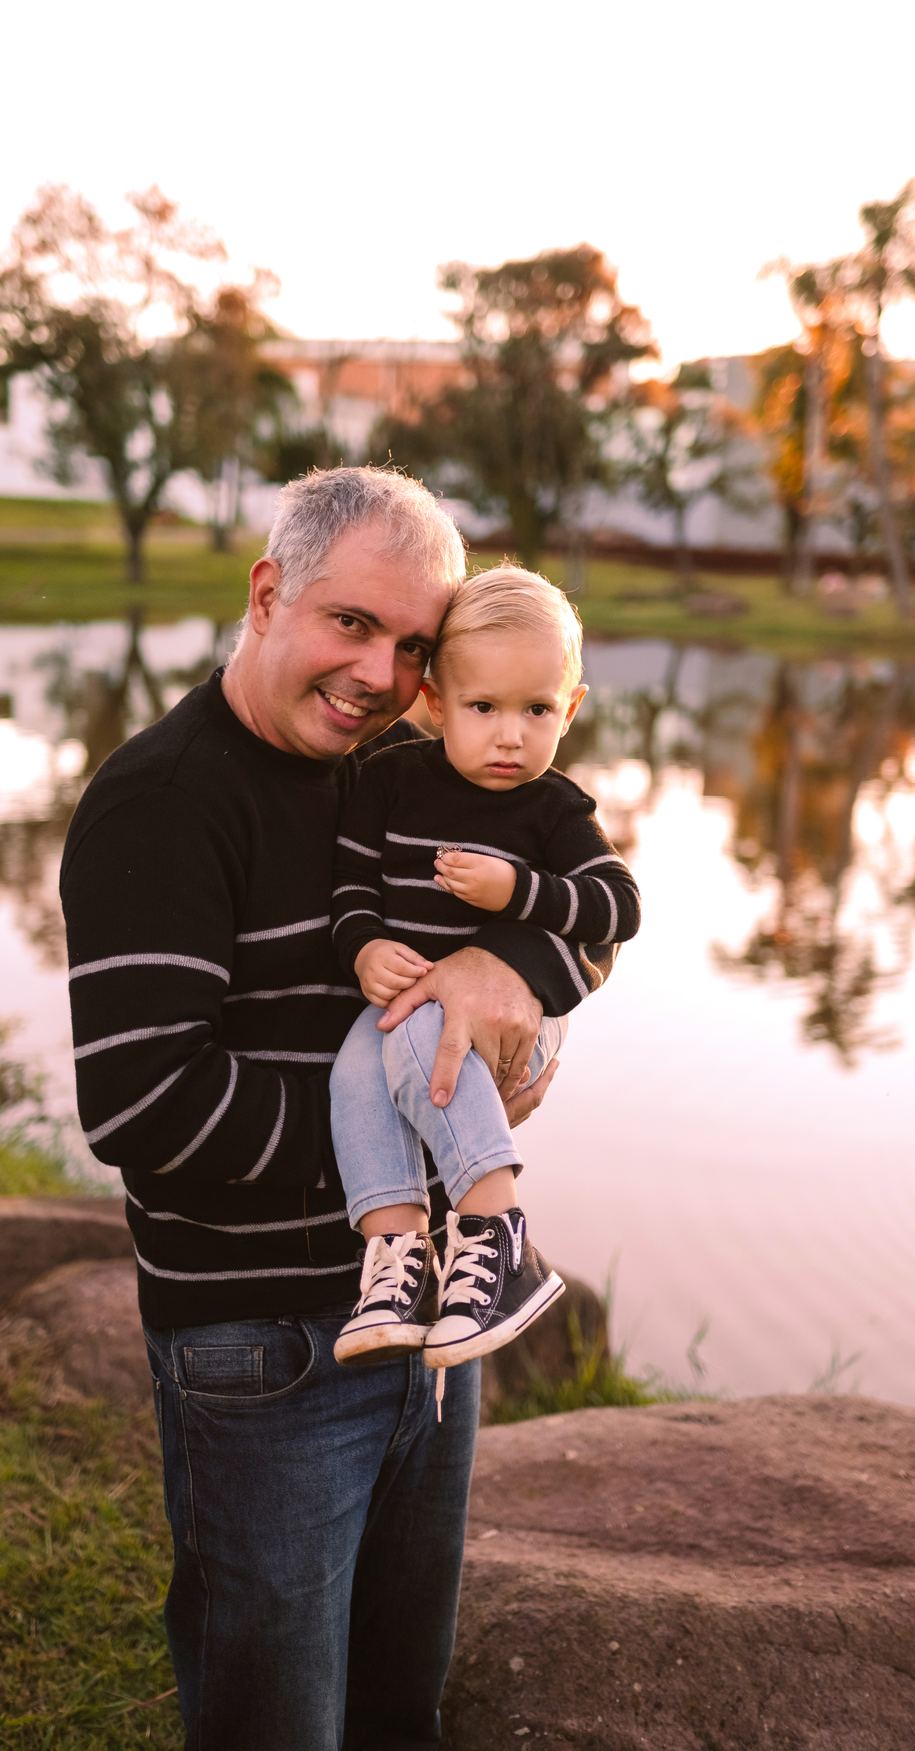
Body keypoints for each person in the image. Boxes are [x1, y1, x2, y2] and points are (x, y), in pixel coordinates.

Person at [59, 467, 618, 1751]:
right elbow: (148, 1110)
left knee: (392, 1712)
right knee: (279, 1728)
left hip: (424, 1332)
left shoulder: (401, 783)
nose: (379, 673)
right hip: (264, 1356)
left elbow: (575, 913)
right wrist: (405, 1119)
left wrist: (511, 981)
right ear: (267, 595)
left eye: (414, 646)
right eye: (351, 624)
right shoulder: (163, 801)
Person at [329, 566, 641, 1380]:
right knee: (355, 1068)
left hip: (514, 1026)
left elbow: (620, 909)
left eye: (537, 710)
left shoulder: (554, 809)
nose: (511, 736)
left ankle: (496, 1238)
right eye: (484, 709)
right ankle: (397, 1260)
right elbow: (352, 886)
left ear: (570, 709)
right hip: (405, 1007)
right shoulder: (389, 780)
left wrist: (519, 892)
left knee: (422, 1034)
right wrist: (362, 949)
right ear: (435, 704)